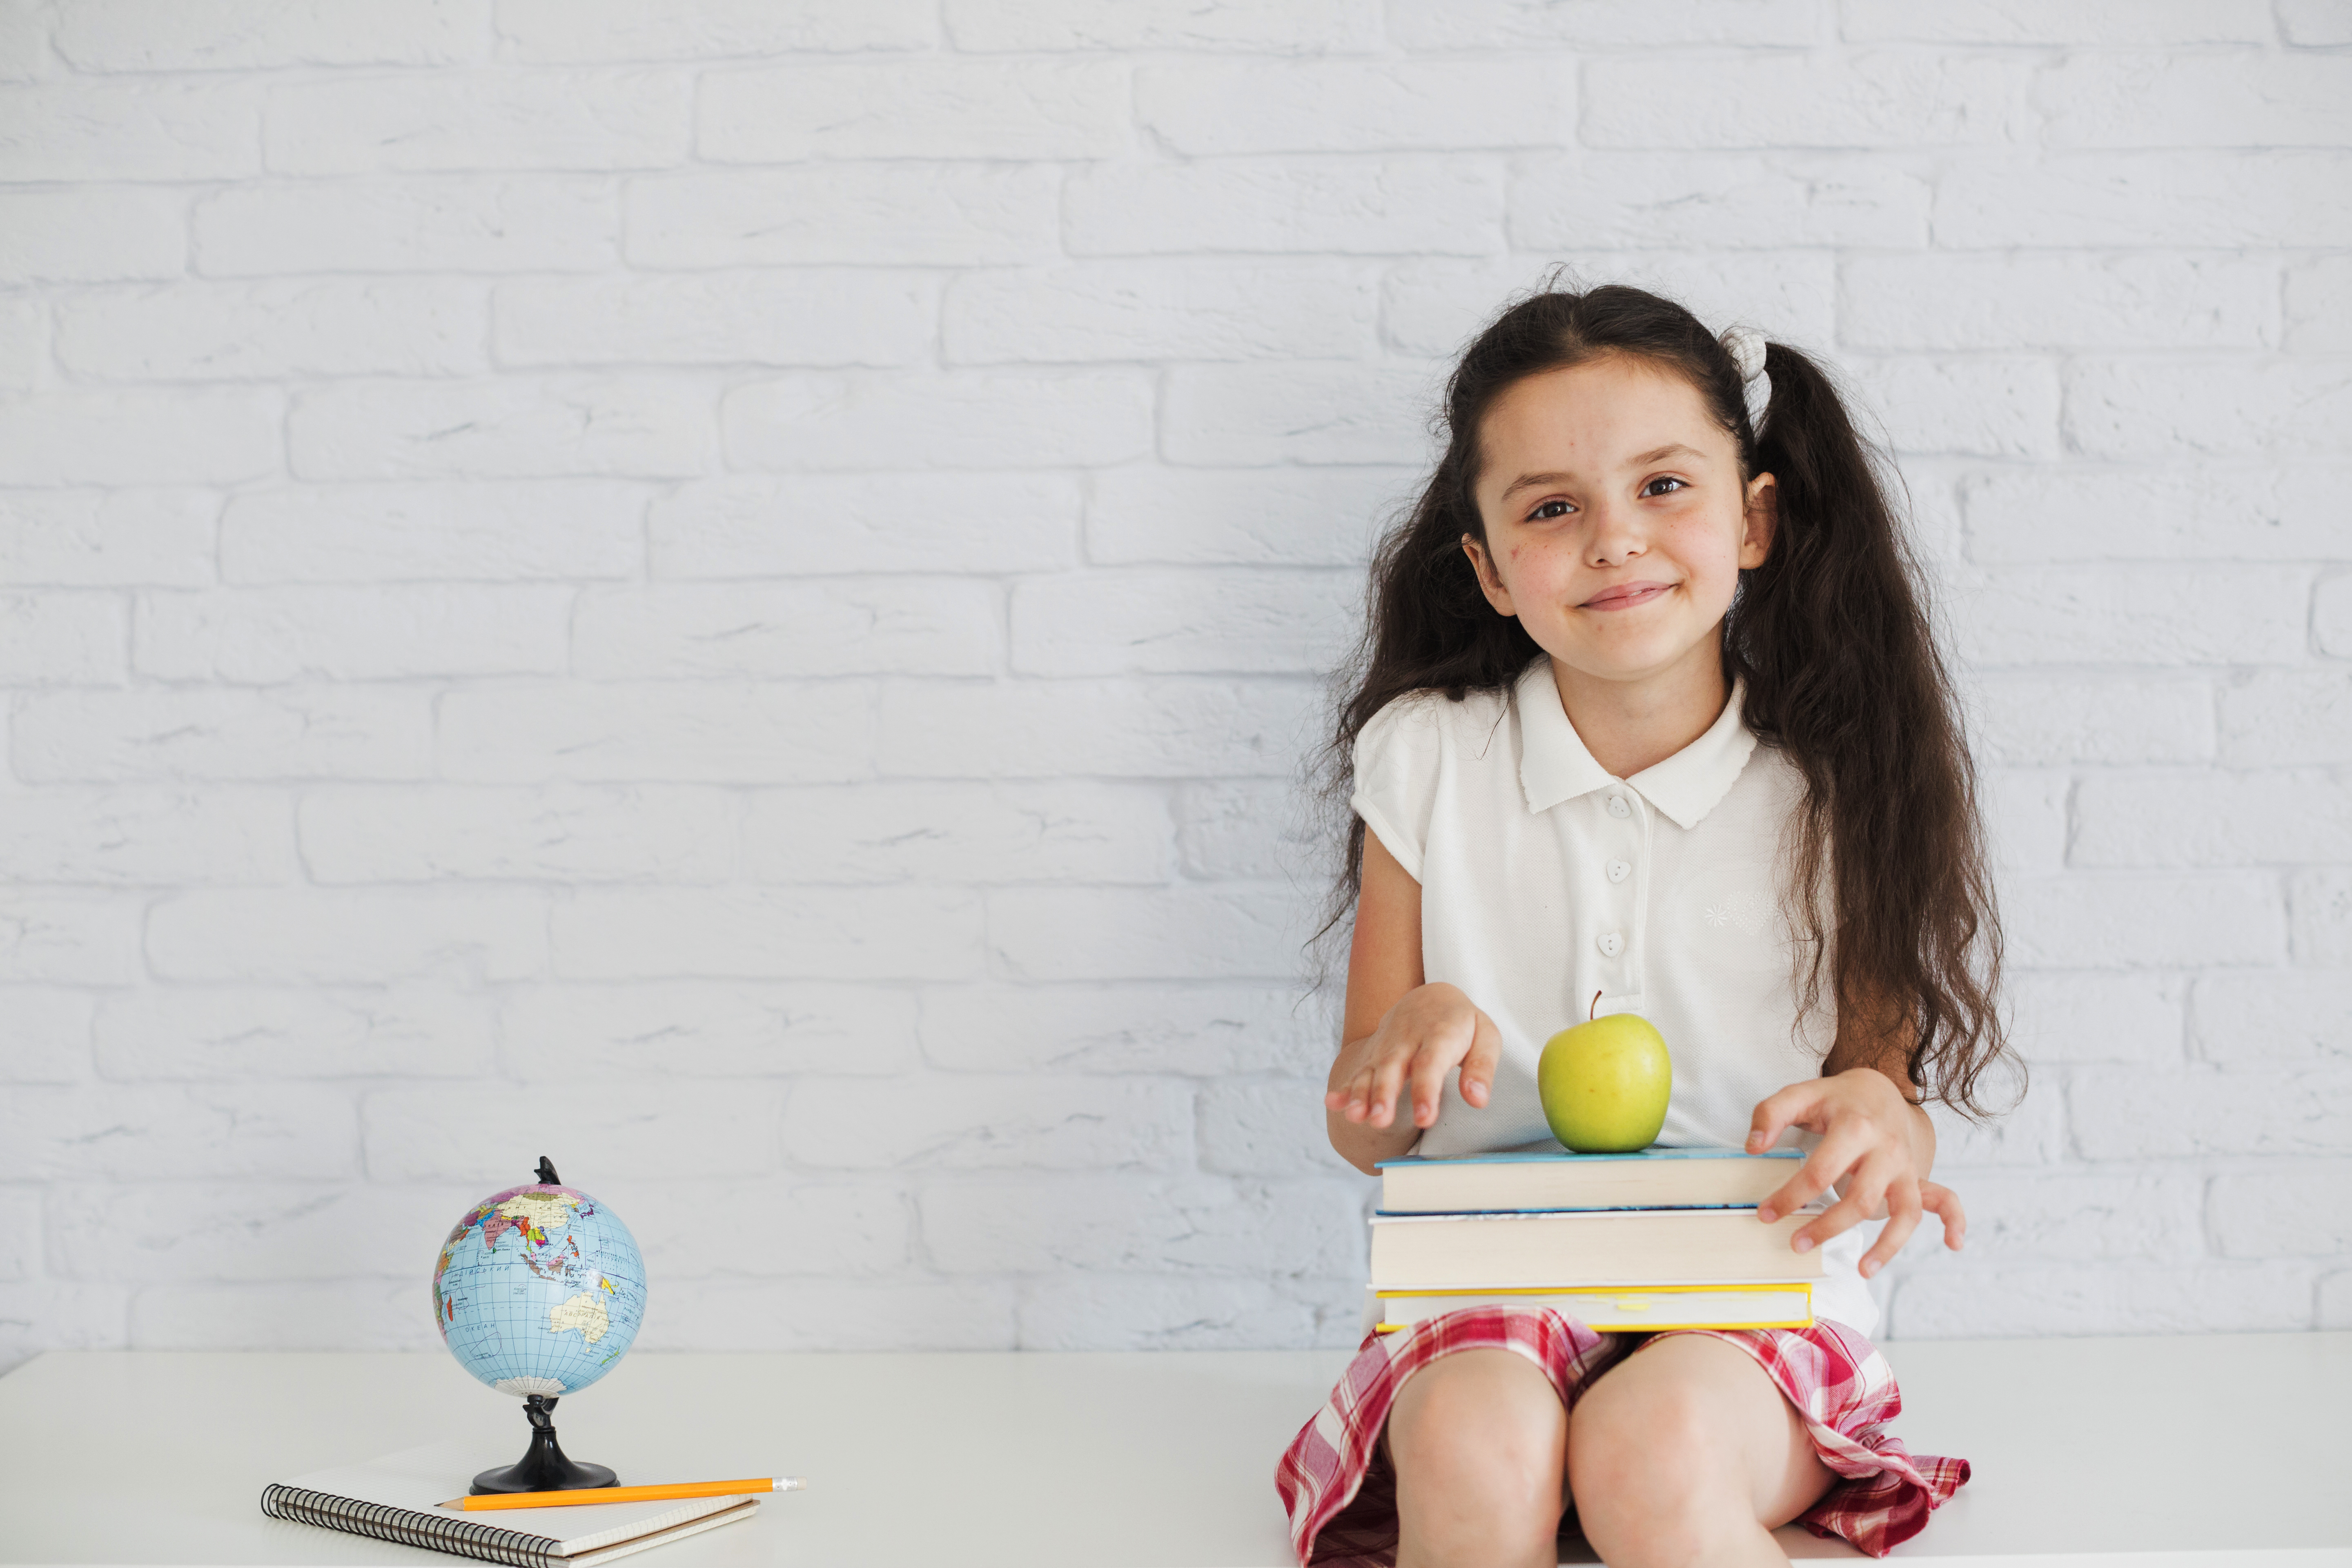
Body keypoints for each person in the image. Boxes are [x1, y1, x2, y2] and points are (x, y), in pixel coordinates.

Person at [1275, 283, 2012, 1568]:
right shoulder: (1429, 759)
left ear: (1756, 518)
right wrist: (1416, 1029)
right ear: (1492, 572)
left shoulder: (1840, 787)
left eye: (1664, 487)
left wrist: (1882, 1123)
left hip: (1752, 1304)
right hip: (1492, 1285)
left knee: (1653, 1450)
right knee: (1475, 1443)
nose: (1617, 540)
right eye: (1554, 508)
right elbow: (1361, 1133)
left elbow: (1876, 1090)